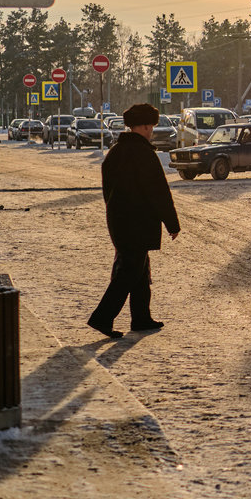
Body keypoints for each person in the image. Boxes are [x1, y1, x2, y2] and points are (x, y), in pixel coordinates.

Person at [88, 103, 180, 338]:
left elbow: (107, 187)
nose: (152, 131)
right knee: (129, 272)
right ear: (147, 126)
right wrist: (172, 223)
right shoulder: (144, 153)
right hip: (137, 223)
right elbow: (158, 191)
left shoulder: (116, 151)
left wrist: (114, 210)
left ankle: (141, 318)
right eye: (152, 127)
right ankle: (102, 317)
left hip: (119, 221)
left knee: (139, 269)